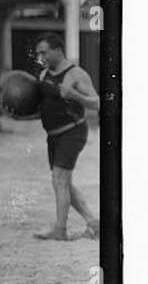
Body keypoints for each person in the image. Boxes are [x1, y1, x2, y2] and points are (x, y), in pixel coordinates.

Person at [22, 33, 100, 240]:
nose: (41, 56)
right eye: (38, 53)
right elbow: (45, 107)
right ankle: (93, 222)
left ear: (58, 50)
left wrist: (74, 95)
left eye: (44, 52)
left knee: (59, 180)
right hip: (53, 136)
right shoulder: (43, 74)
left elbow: (97, 102)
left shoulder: (76, 74)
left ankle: (60, 230)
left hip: (72, 132)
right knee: (64, 182)